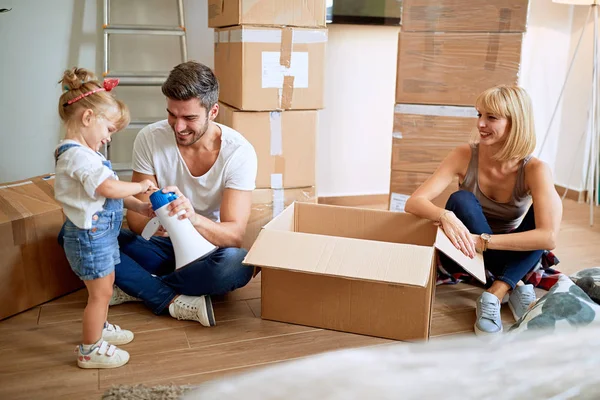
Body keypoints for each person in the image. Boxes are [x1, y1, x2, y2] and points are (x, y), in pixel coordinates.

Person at [404, 85, 563, 336]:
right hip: (470, 247)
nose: (480, 124)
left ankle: (496, 291)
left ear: (516, 122)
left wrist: (484, 241)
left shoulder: (535, 169)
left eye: (491, 117)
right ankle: (515, 283)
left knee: (545, 216)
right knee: (461, 201)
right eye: (479, 115)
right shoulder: (464, 154)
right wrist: (445, 215)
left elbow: (548, 238)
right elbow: (414, 202)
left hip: (499, 246)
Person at [108, 61, 258, 326]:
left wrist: (192, 218)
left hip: (206, 251)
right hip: (162, 245)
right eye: (172, 115)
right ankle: (170, 298)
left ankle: (140, 286)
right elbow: (136, 221)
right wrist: (159, 222)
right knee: (80, 235)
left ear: (213, 111)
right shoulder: (149, 138)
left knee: (238, 263)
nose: (178, 127)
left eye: (189, 118)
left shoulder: (238, 152)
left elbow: (234, 235)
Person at [55, 67, 158, 368]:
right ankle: (90, 349)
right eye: (109, 130)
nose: (108, 138)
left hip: (101, 235)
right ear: (88, 118)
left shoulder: (88, 155)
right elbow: (107, 187)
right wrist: (140, 186)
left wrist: (137, 207)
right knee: (99, 295)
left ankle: (99, 329)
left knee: (107, 284)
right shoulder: (76, 156)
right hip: (89, 237)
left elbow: (105, 194)